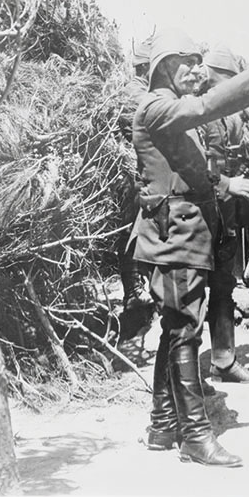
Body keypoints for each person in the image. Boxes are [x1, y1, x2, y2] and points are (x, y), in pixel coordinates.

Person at [128, 29, 249, 466]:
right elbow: (204, 108)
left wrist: (223, 184)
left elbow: (194, 171)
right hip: (174, 233)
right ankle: (196, 437)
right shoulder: (158, 106)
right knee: (185, 331)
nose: (195, 70)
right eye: (185, 62)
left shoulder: (170, 110)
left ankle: (163, 426)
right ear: (163, 65)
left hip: (183, 230)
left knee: (176, 327)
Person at [197, 44, 249, 384]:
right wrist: (228, 184)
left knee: (223, 285)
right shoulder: (197, 112)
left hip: (222, 212)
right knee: (194, 291)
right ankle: (187, 377)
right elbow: (195, 167)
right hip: (198, 213)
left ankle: (223, 361)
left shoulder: (228, 116)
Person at [115, 36, 155, 313]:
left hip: (139, 170)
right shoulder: (136, 93)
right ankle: (134, 291)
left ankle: (139, 290)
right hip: (134, 172)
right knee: (133, 231)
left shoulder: (141, 91)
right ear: (146, 68)